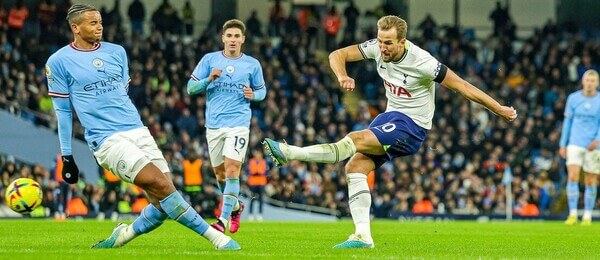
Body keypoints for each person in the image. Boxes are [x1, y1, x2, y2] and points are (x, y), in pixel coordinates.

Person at [263, 15, 517, 248]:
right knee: (355, 168)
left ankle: (289, 152)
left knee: (353, 139)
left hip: (412, 126)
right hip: (390, 118)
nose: (382, 48)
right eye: (381, 41)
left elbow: (463, 86)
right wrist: (342, 75)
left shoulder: (423, 62)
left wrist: (499, 109)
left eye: (388, 43)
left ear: (402, 42)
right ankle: (363, 236)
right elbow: (336, 54)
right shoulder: (376, 47)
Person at [46, 4, 239, 250]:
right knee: (161, 185)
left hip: (137, 129)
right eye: (93, 23)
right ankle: (217, 238)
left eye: (100, 22)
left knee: (162, 203)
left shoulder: (117, 52)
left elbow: (120, 93)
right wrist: (67, 155)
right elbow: (62, 111)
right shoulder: (59, 61)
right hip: (107, 140)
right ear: (75, 27)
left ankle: (121, 237)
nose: (100, 27)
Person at [187, 19, 266, 233]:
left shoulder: (252, 64)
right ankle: (237, 207)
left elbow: (262, 91)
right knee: (221, 176)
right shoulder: (209, 60)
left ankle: (222, 220)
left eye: (236, 36)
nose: (232, 40)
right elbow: (190, 88)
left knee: (232, 170)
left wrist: (254, 94)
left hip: (238, 124)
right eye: (229, 36)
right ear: (223, 38)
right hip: (214, 126)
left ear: (243, 39)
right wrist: (208, 80)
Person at [560, 69, 600, 226]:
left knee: (591, 180)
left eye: (592, 81)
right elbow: (567, 123)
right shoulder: (573, 98)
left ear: (597, 83)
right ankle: (573, 214)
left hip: (593, 146)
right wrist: (563, 144)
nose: (589, 83)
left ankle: (588, 216)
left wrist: (597, 140)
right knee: (572, 176)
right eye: (587, 80)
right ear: (583, 81)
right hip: (575, 143)